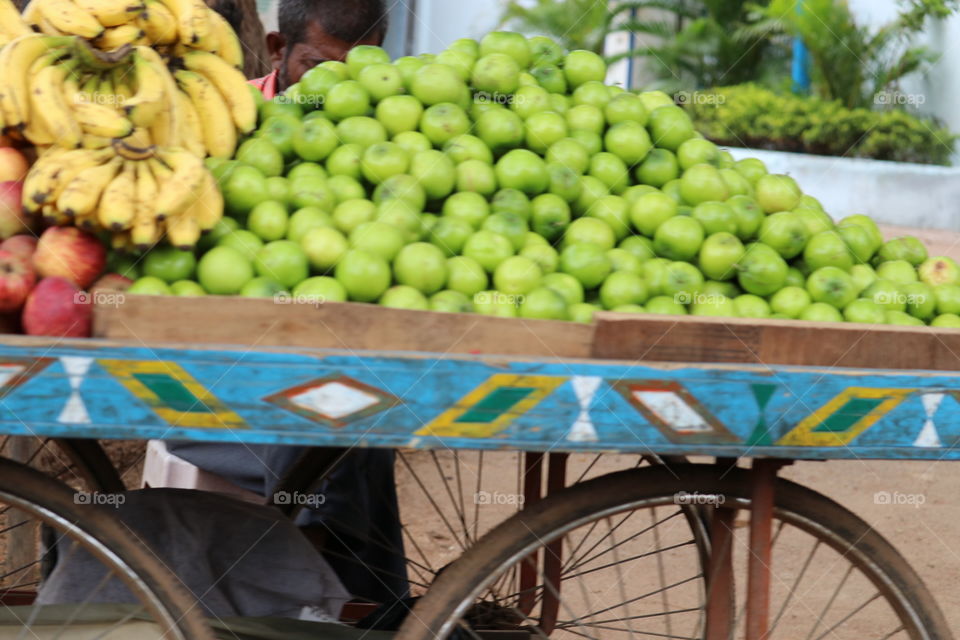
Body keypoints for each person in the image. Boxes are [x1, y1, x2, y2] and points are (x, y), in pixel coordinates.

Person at [166, 0, 407, 607]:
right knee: (325, 431)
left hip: (327, 361)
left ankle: (335, 605)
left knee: (355, 423)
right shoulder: (226, 119)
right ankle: (321, 605)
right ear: (277, 49)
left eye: (358, 68)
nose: (335, 87)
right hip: (217, 371)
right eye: (316, 65)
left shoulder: (388, 132)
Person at [250, 0, 388, 98]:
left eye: (357, 73)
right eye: (321, 68)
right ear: (278, 49)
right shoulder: (235, 115)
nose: (338, 92)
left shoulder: (393, 128)